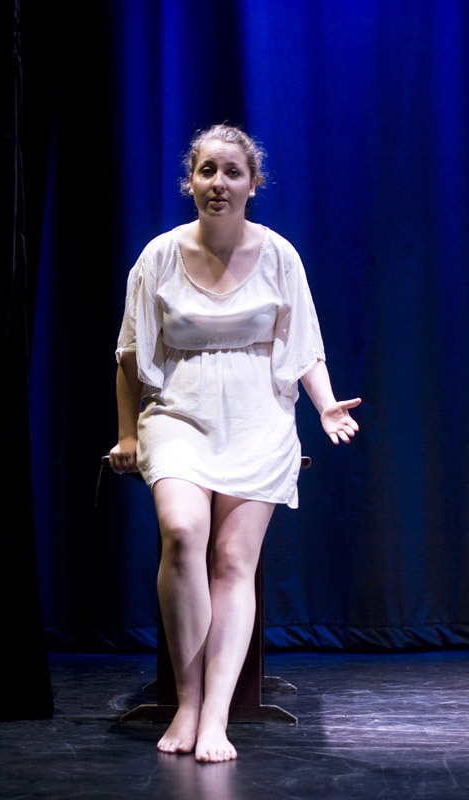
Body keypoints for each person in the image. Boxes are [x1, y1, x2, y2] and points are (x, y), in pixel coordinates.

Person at [108, 123, 361, 763]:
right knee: (183, 532)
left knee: (232, 560)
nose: (218, 183)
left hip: (257, 414)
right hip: (179, 410)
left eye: (232, 172)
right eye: (207, 171)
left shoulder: (279, 255)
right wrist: (128, 433)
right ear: (190, 182)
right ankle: (188, 700)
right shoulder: (159, 255)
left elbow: (303, 343)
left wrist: (325, 403)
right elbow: (129, 356)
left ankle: (217, 714)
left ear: (253, 184)